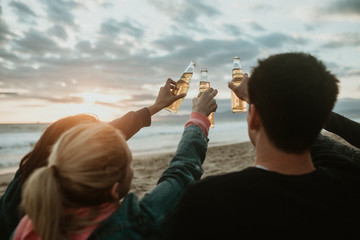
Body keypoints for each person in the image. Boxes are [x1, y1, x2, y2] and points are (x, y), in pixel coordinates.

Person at [174, 52, 360, 238]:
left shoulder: (206, 200)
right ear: (321, 118)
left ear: (254, 118)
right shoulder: (350, 187)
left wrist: (198, 118)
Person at [11, 86, 218, 239]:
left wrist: (154, 107)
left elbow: (94, 146)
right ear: (115, 187)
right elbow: (182, 171)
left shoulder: (28, 225)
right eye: (129, 162)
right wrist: (198, 118)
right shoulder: (131, 226)